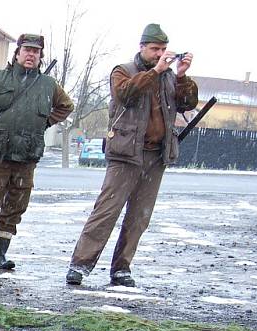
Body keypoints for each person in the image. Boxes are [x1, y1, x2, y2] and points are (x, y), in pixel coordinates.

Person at [66, 24, 197, 288]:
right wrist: (156, 71)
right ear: (142, 47)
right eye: (154, 49)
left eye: (163, 49)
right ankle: (80, 265)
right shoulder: (123, 71)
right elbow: (124, 94)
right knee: (106, 211)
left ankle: (122, 268)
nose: (159, 54)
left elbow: (188, 103)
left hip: (156, 155)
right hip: (125, 154)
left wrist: (182, 76)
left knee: (139, 216)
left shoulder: (170, 77)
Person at [0, 34, 73, 272]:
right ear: (17, 53)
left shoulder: (48, 85)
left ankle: (0, 256)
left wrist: (45, 122)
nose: (31, 55)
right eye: (27, 50)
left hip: (27, 156)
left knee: (16, 205)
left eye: (36, 52)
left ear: (40, 56)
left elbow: (66, 106)